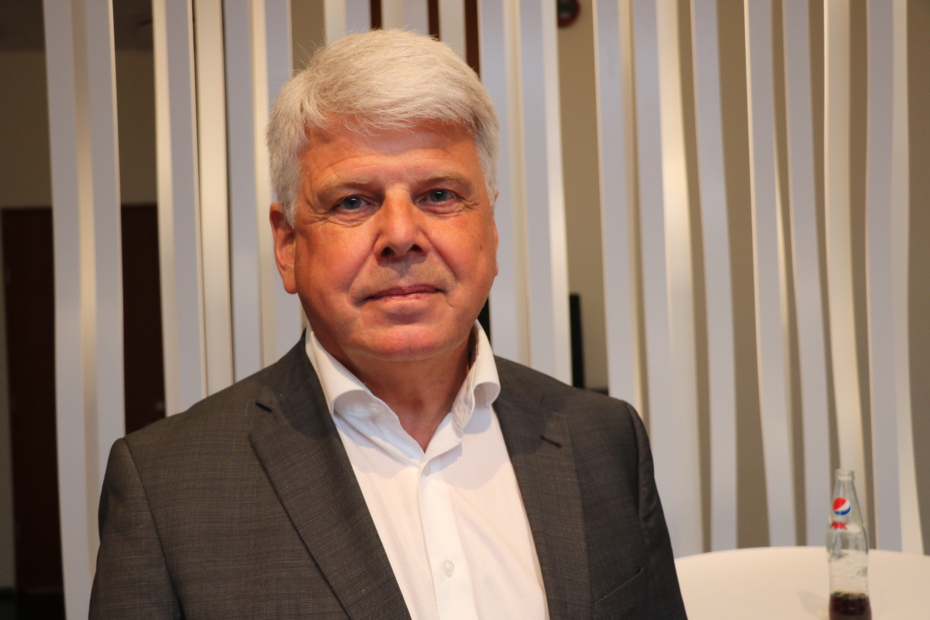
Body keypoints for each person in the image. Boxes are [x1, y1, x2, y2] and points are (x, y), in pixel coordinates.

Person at [90, 29, 686, 620]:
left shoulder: (604, 443)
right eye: (353, 201)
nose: (401, 236)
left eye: (439, 195)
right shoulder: (166, 490)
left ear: (491, 228)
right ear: (288, 245)